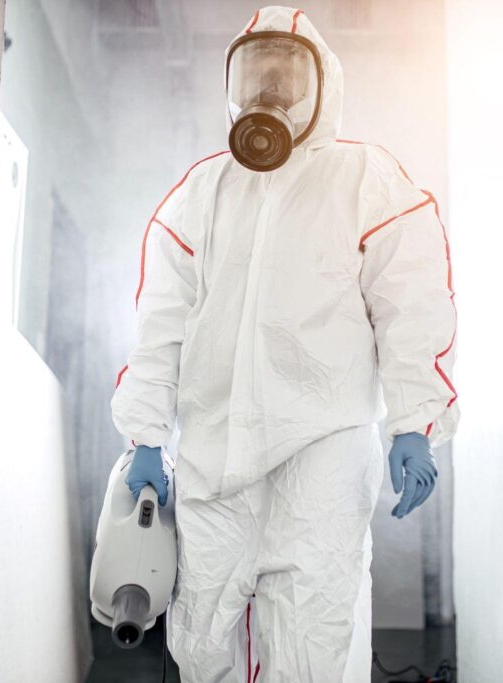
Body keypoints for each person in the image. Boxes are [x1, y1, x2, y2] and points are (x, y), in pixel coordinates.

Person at [111, 6, 458, 681]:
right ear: (232, 85)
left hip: (320, 447)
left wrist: (413, 420)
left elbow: (410, 305)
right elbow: (159, 324)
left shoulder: (363, 179)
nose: (269, 92)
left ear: (321, 87)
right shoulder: (202, 193)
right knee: (202, 634)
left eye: (287, 77)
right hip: (216, 453)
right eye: (256, 75)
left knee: (312, 633)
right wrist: (146, 434)